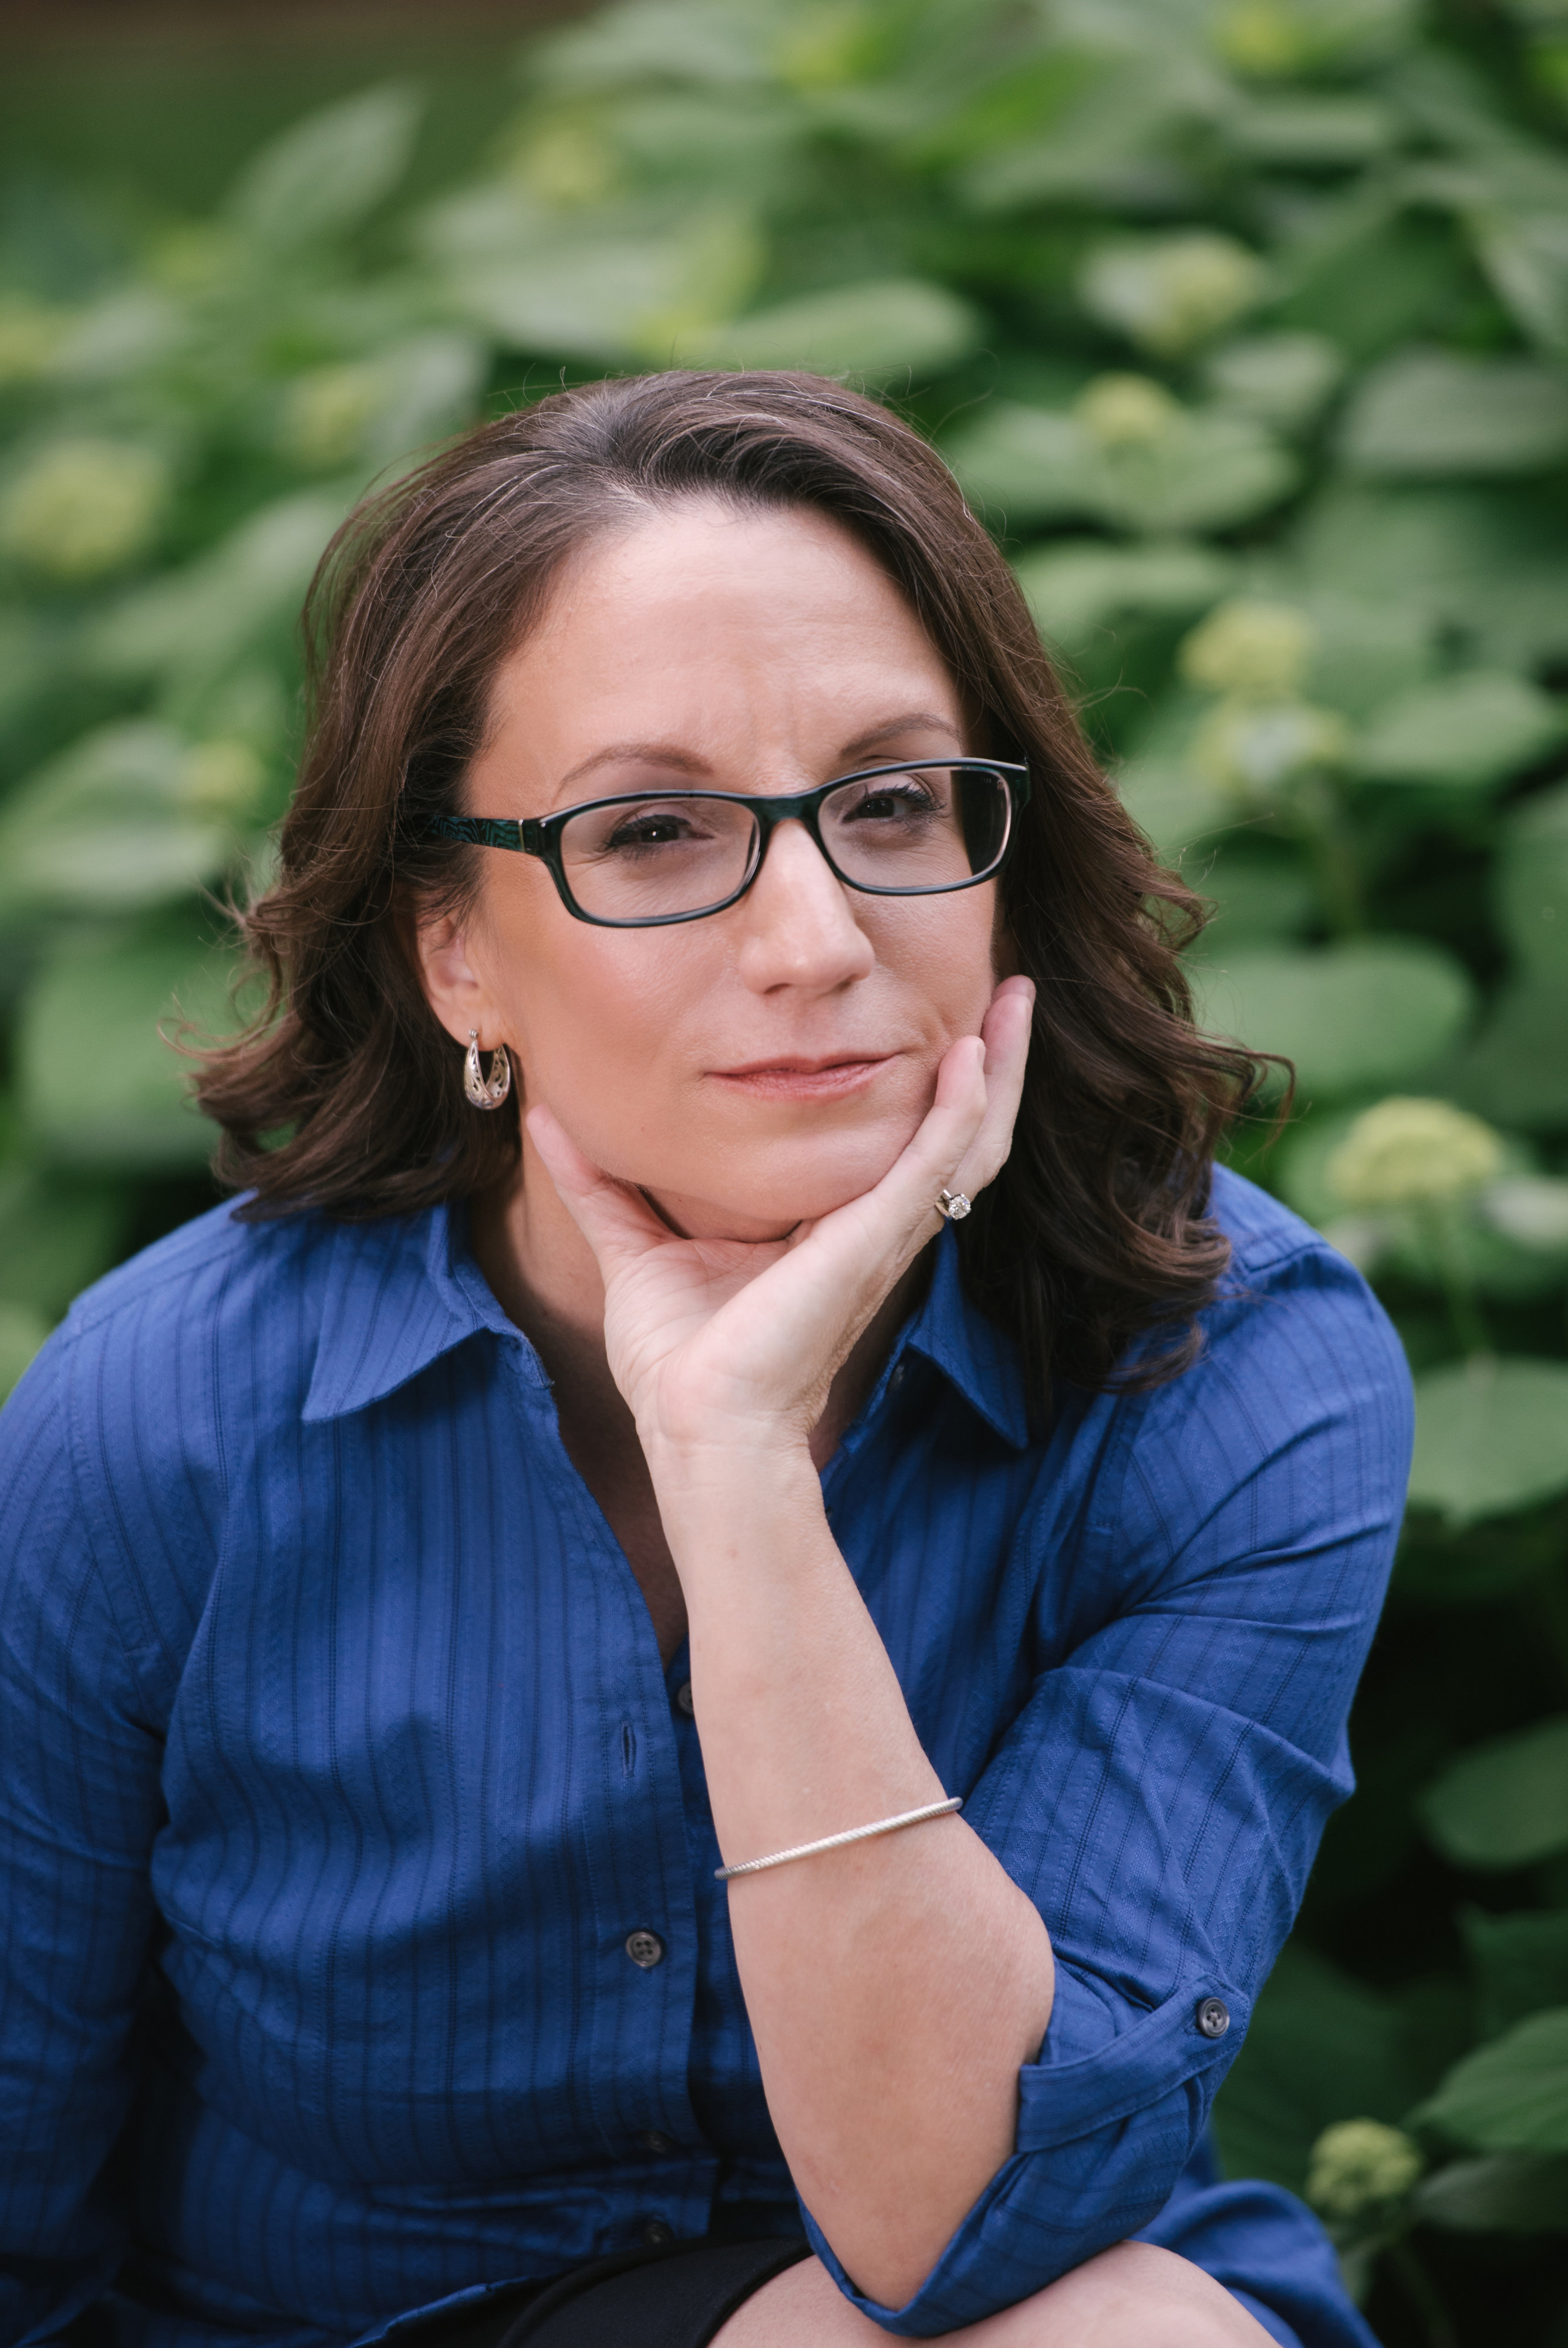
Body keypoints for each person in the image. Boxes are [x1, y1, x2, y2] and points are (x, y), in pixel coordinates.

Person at [0, 373, 1411, 2348]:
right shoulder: (163, 1421)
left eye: (893, 800)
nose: (817, 936)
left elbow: (955, 2216)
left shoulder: (1236, 1366)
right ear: (454, 952)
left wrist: (737, 1464)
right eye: (653, 833)